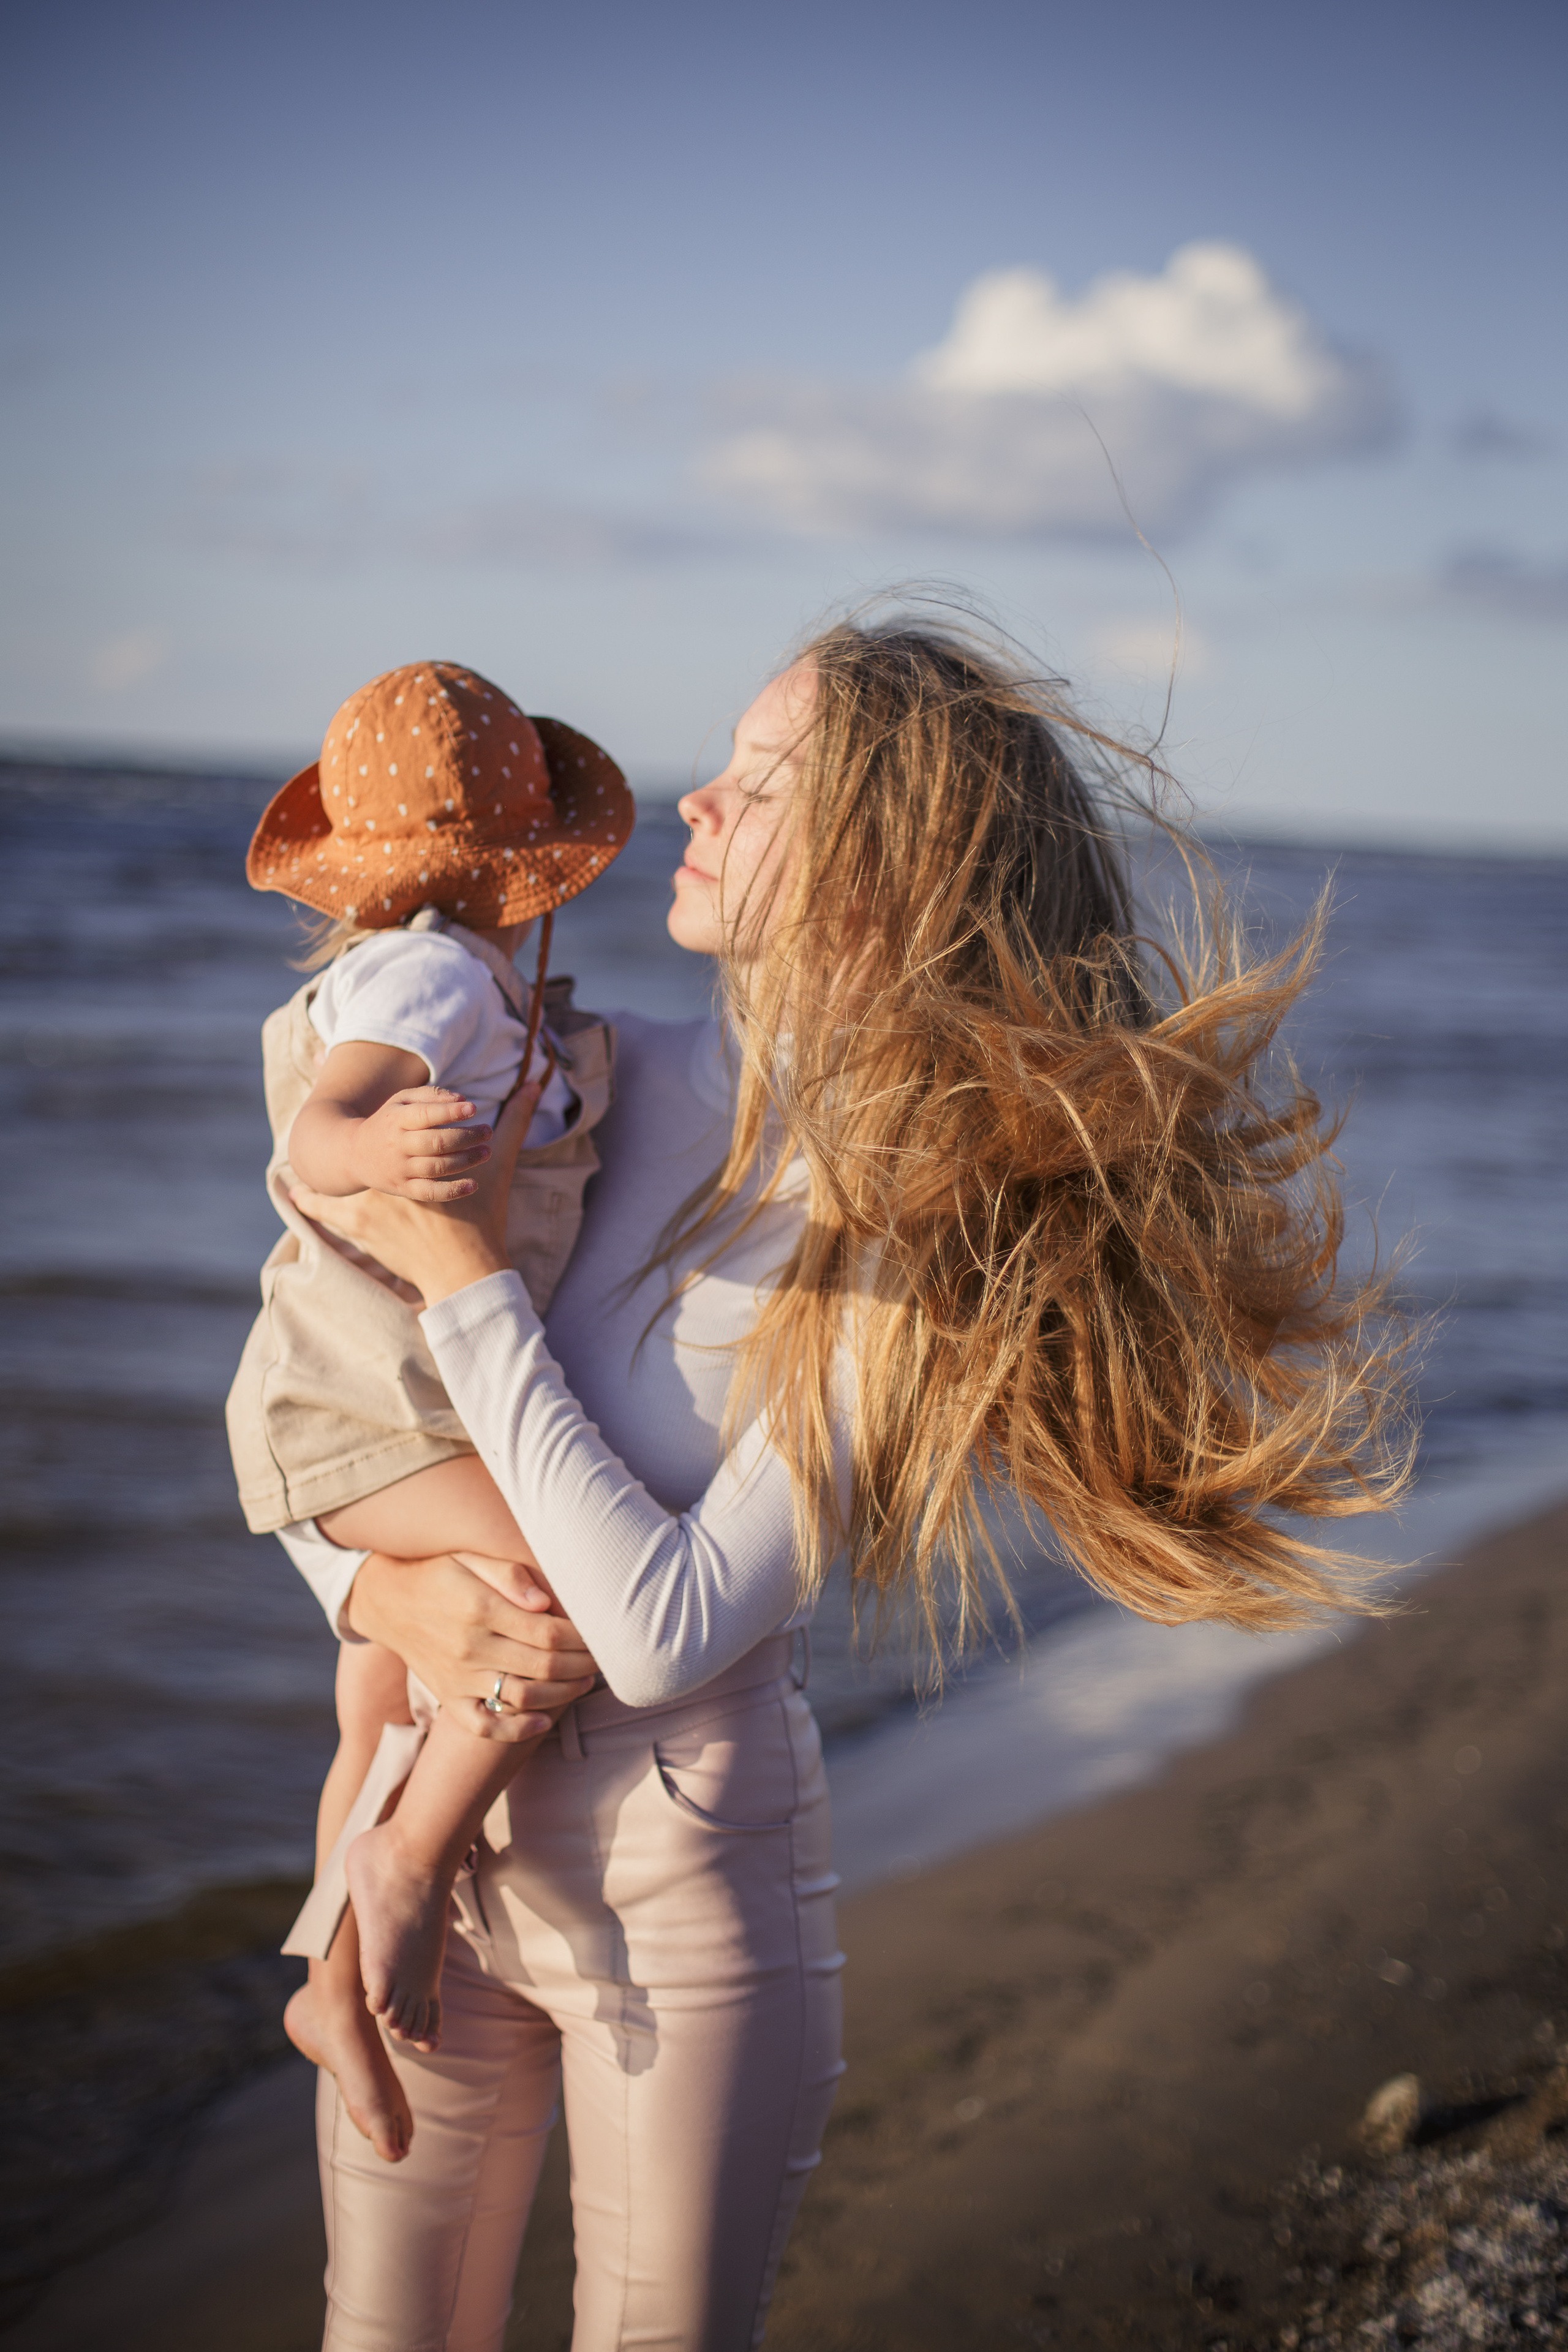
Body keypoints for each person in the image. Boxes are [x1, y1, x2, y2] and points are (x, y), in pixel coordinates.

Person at [279, 612, 1411, 2351]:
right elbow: (312, 1385)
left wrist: (466, 1276)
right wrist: (375, 1591)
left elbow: (661, 1631)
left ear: (891, 865)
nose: (693, 801)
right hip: (417, 1828)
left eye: (762, 779)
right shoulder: (584, 1076)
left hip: (680, 1885)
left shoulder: (919, 1237)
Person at [227, 660, 633, 2162]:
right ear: (526, 867)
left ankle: (326, 1978)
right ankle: (403, 1861)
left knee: (381, 1696)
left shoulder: (470, 987)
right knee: (561, 1594)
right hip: (366, 1403)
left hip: (363, 1402)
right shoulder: (436, 974)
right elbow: (316, 1131)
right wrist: (369, 1139)